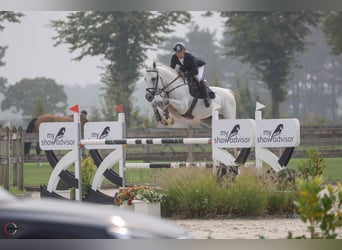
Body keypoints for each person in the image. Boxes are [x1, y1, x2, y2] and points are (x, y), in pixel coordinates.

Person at [170, 42, 211, 108]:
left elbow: (195, 71)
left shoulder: (190, 57)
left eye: (180, 52)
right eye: (177, 52)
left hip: (198, 66)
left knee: (198, 78)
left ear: (184, 51)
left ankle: (206, 97)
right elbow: (171, 69)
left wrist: (185, 74)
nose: (179, 54)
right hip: (187, 66)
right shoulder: (174, 57)